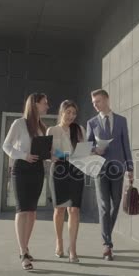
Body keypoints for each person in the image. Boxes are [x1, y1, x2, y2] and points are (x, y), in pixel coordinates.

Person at [2, 93, 49, 271]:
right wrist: (23, 155)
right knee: (22, 210)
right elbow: (6, 145)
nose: (47, 106)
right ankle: (22, 252)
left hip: (37, 170)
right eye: (45, 103)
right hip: (21, 169)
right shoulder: (19, 123)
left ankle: (25, 247)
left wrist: (63, 157)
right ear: (35, 104)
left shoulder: (42, 127)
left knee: (32, 212)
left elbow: (48, 152)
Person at [86, 89, 134, 261]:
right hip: (100, 169)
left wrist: (130, 168)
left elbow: (126, 145)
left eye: (97, 101)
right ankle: (107, 244)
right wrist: (95, 149)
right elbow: (87, 146)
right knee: (104, 206)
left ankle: (107, 235)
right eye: (93, 102)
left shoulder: (121, 121)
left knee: (115, 204)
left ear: (106, 99)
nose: (95, 105)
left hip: (118, 168)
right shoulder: (92, 122)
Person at [46, 100, 85, 263]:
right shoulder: (52, 130)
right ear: (61, 112)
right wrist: (54, 156)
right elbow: (47, 152)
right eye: (68, 112)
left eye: (74, 113)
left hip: (76, 170)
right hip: (59, 170)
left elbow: (84, 151)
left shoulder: (79, 129)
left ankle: (73, 248)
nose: (71, 116)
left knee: (74, 210)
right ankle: (59, 242)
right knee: (60, 209)